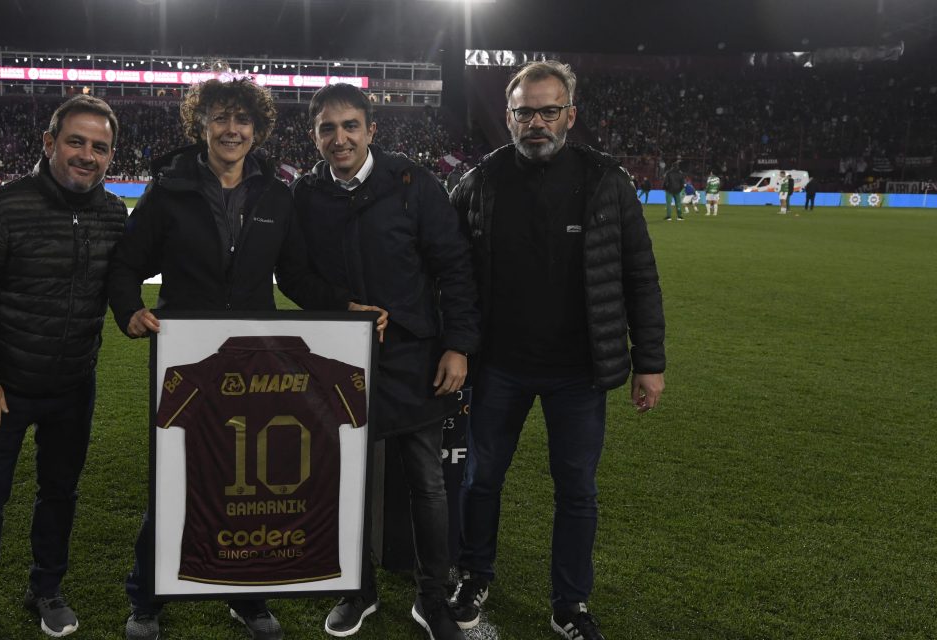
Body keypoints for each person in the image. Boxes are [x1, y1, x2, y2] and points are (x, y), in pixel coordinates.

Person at [110, 77, 386, 640]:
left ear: (257, 129)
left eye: (242, 120)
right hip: (188, 356)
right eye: (220, 118)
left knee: (247, 485)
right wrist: (128, 310)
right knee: (178, 476)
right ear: (202, 125)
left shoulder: (276, 195)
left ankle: (247, 598)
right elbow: (125, 262)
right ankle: (146, 599)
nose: (231, 129)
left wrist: (346, 307)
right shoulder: (169, 188)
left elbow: (298, 275)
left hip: (255, 360)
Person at [449, 60, 666, 640]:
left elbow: (639, 274)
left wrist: (650, 360)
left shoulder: (605, 181)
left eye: (549, 110)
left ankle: (569, 602)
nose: (537, 121)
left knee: (577, 491)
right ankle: (473, 575)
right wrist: (457, 346)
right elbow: (450, 274)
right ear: (509, 116)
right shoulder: (479, 182)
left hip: (579, 370)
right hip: (498, 366)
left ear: (570, 114)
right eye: (525, 111)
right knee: (482, 480)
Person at [291, 83, 479, 640]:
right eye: (328, 128)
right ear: (314, 136)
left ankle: (431, 596)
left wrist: (459, 344)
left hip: (413, 357)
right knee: (344, 481)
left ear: (372, 130)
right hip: (340, 359)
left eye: (350, 125)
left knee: (427, 482)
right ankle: (357, 591)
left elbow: (454, 267)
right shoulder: (304, 195)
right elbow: (295, 276)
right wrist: (341, 308)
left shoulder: (413, 183)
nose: (340, 137)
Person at [0, 94, 129, 640]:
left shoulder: (115, 214)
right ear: (49, 144)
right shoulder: (4, 207)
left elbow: (130, 281)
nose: (87, 155)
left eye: (100, 147)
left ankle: (46, 588)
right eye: (76, 141)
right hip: (5, 387)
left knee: (60, 493)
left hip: (73, 386)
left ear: (111, 156)